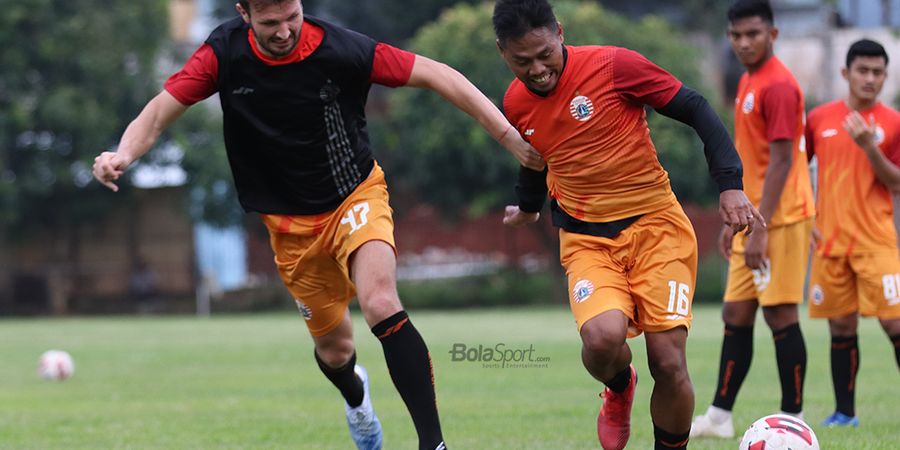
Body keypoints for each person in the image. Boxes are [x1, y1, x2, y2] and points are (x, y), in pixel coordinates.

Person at [92, 1, 544, 449]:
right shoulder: (221, 54)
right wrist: (123, 154)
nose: (285, 30)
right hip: (290, 227)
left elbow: (438, 74)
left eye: (293, 16)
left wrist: (507, 137)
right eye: (271, 23)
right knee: (335, 352)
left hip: (355, 196)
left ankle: (434, 444)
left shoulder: (339, 49)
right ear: (243, 14)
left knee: (381, 302)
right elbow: (160, 110)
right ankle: (356, 397)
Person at [491, 1, 763, 449]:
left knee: (669, 362)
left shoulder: (613, 66)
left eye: (545, 54)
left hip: (657, 229)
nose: (538, 70)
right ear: (503, 52)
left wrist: (730, 184)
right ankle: (619, 389)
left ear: (559, 32)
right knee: (601, 341)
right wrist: (527, 206)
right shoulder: (515, 102)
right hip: (585, 239)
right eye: (523, 61)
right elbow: (535, 156)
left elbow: (695, 107)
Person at [691, 0, 815, 439]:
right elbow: (754, 161)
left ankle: (794, 421)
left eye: (753, 34)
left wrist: (760, 227)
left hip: (780, 218)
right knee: (735, 313)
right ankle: (719, 418)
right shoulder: (748, 79)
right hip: (755, 215)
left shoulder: (778, 85)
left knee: (780, 314)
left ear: (773, 35)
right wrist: (734, 219)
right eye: (737, 35)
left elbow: (782, 162)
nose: (744, 43)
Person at [805, 38, 900, 428]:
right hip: (829, 242)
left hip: (877, 241)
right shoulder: (819, 118)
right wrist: (806, 215)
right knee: (841, 328)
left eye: (878, 72)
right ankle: (845, 413)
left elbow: (896, 181)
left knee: (895, 324)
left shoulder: (893, 123)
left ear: (885, 77)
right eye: (863, 70)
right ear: (846, 73)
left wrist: (869, 147)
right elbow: (796, 167)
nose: (870, 79)